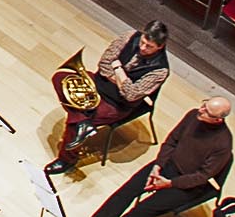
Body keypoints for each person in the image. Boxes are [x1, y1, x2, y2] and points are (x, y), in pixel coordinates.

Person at [60, 97, 233, 217]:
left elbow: (202, 176)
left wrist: (169, 183)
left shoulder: (223, 143)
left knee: (144, 209)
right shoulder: (192, 115)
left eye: (206, 111)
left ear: (218, 119)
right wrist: (158, 166)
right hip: (165, 166)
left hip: (186, 184)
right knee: (126, 191)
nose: (201, 110)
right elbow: (172, 141)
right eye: (204, 104)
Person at [47, 21, 170, 174]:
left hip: (117, 103)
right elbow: (104, 65)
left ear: (160, 46)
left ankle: (67, 160)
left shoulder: (160, 70)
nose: (142, 48)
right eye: (143, 42)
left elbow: (131, 95)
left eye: (149, 46)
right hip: (98, 83)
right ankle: (83, 122)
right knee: (61, 77)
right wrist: (124, 82)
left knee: (73, 125)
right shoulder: (129, 36)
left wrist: (118, 69)